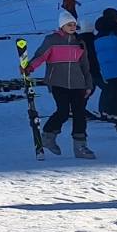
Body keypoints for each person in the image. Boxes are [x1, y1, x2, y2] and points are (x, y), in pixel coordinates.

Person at [27, 12, 96, 159]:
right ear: (62, 25)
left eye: (74, 24)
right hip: (58, 82)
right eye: (69, 24)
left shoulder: (80, 42)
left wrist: (88, 84)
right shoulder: (52, 40)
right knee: (63, 111)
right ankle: (48, 136)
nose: (72, 27)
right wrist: (30, 67)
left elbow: (85, 65)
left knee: (79, 113)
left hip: (78, 84)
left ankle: (80, 146)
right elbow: (41, 56)